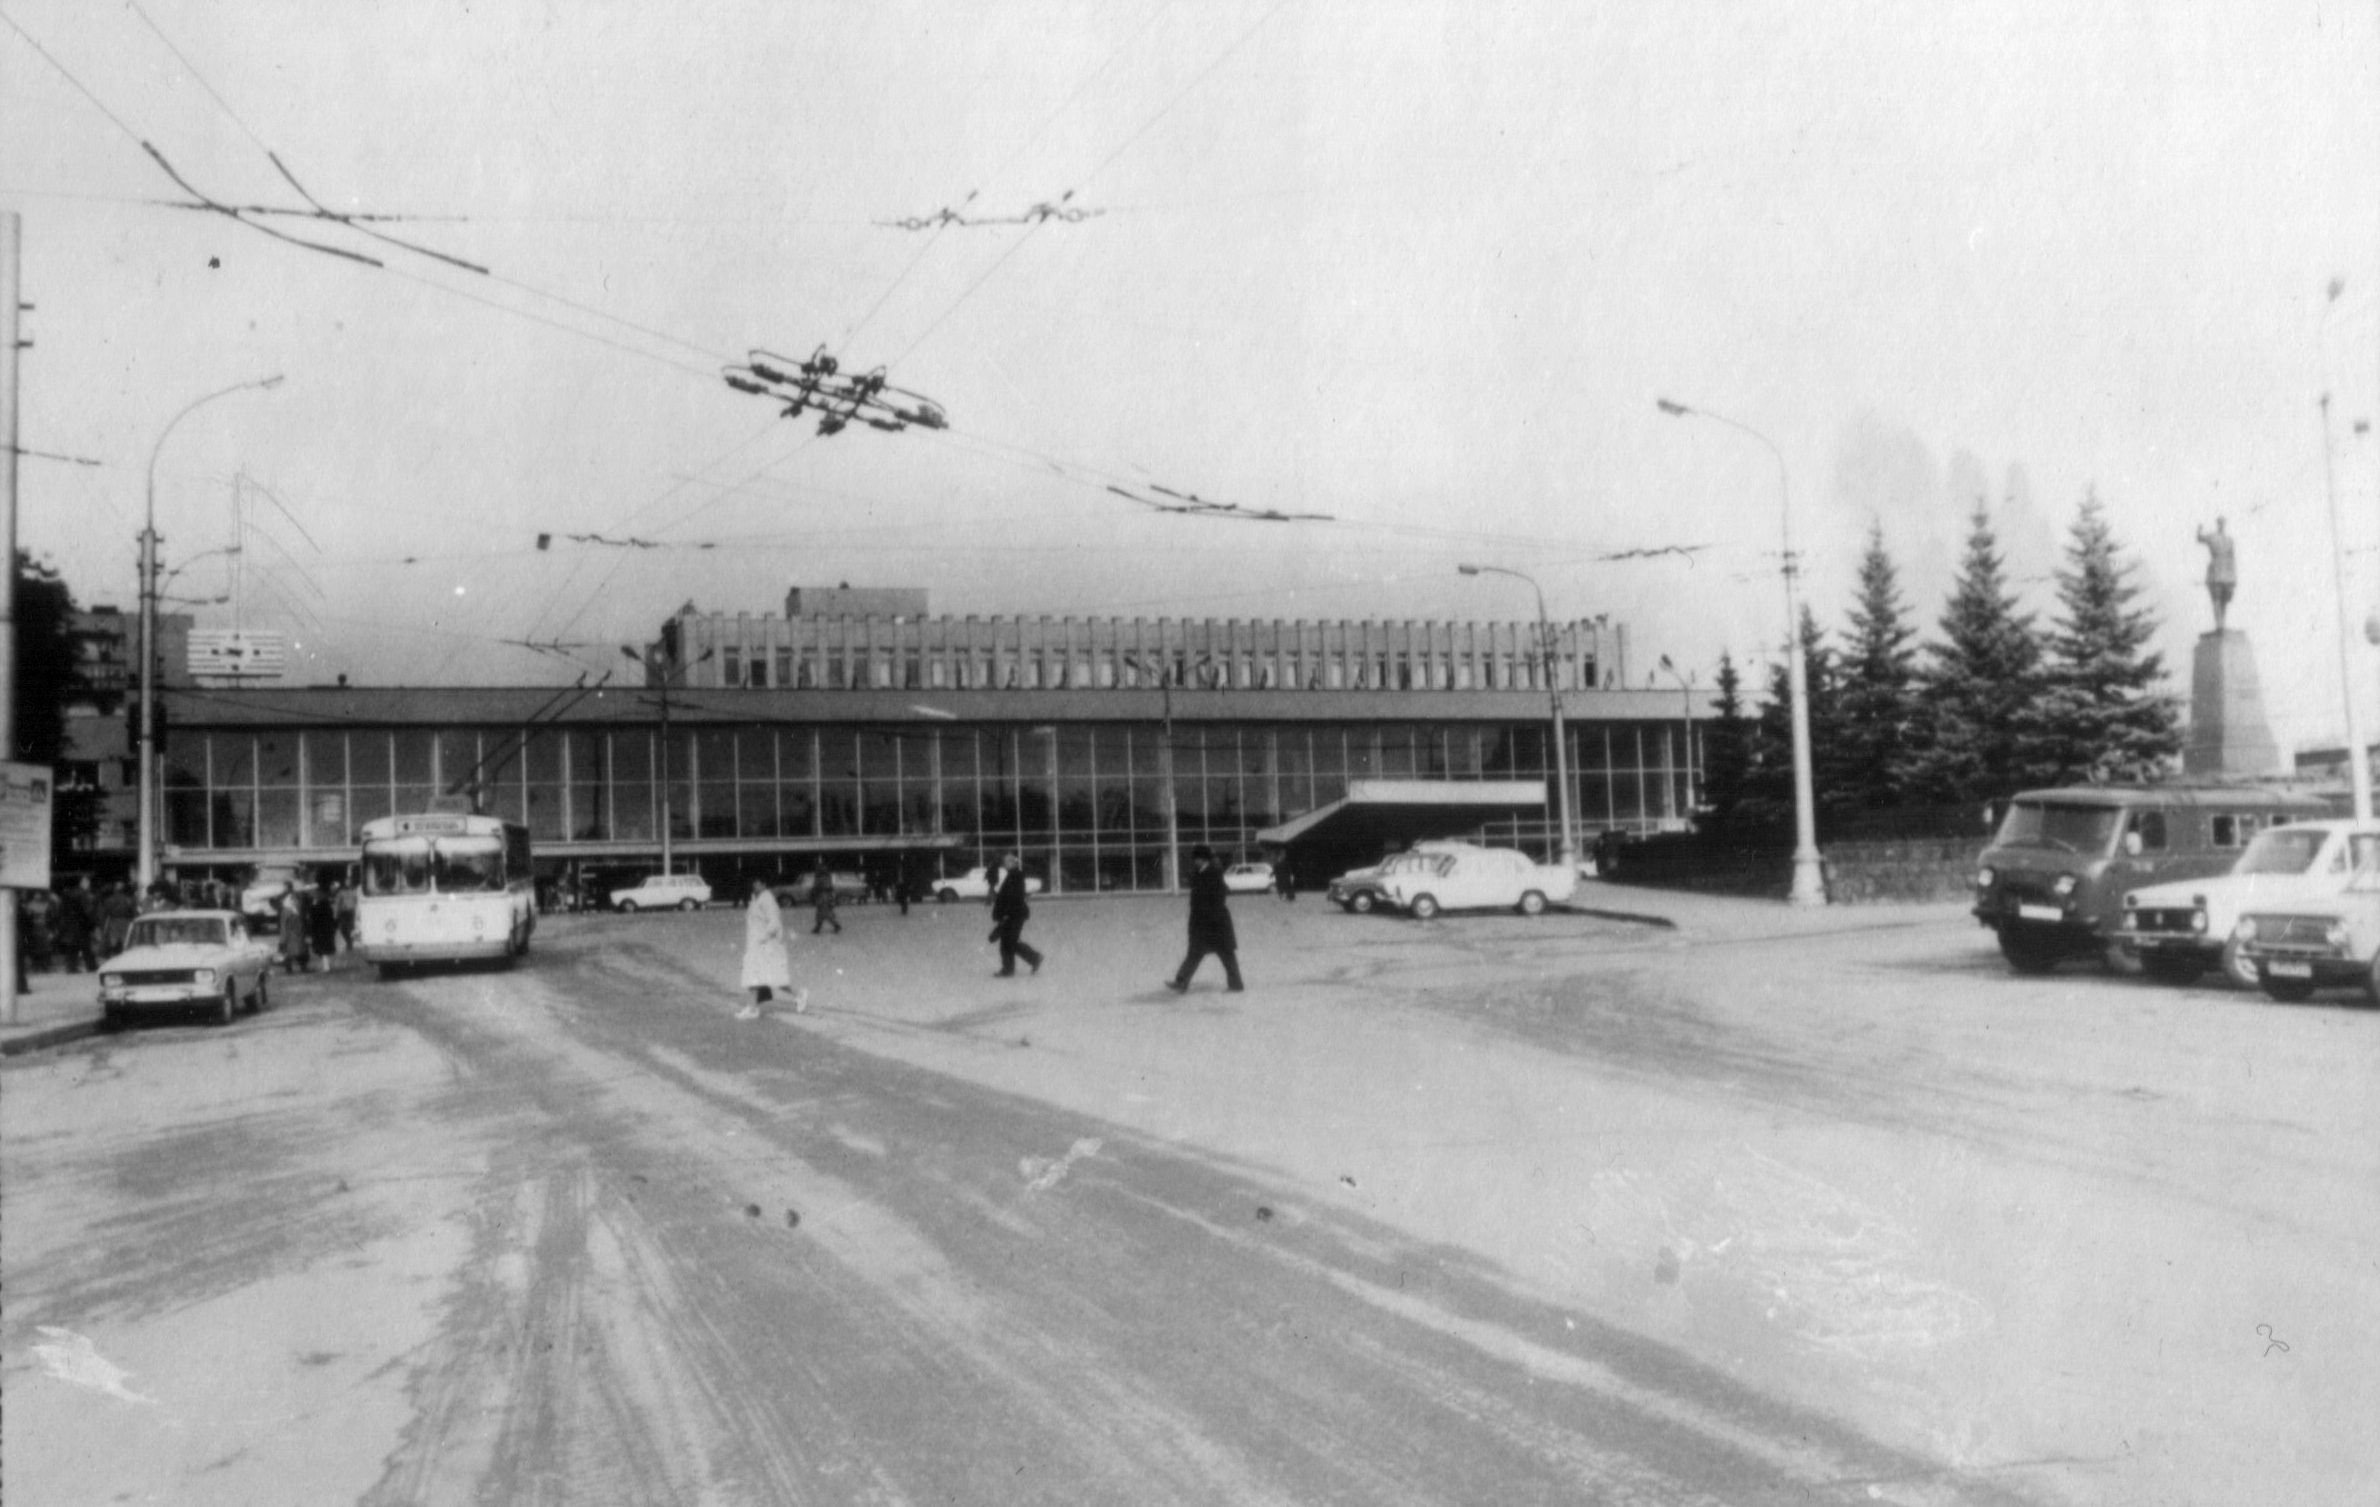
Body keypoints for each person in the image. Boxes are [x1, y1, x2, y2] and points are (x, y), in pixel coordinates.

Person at [1165, 844, 1243, 993]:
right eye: (1195, 859)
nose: (1196, 861)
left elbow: (1220, 895)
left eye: (1198, 858)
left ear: (1204, 859)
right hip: (1201, 921)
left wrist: (1213, 917)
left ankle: (1236, 984)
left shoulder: (1214, 872)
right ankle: (1181, 981)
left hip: (1216, 922)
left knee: (1226, 954)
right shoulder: (1199, 872)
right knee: (1195, 952)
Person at [738, 877, 804, 1018]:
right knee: (759, 977)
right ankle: (753, 1008)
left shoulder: (767, 899)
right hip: (756, 945)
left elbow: (774, 923)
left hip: (765, 945)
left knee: (764, 977)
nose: (754, 885)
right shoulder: (756, 899)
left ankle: (753, 1008)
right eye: (754, 882)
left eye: (758, 882)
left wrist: (762, 939)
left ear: (764, 884)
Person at [988, 852, 1042, 977]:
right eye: (1005, 861)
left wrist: (1006, 914)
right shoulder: (1013, 875)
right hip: (1015, 913)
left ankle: (1008, 970)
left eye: (1007, 861)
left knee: (1007, 942)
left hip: (1014, 914)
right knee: (1010, 941)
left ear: (1013, 862)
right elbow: (1008, 896)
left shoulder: (1015, 876)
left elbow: (1015, 897)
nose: (1004, 863)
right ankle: (1034, 958)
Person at [310, 880, 344, 970]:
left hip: (320, 930)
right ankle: (326, 966)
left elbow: (314, 916)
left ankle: (326, 967)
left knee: (323, 949)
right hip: (326, 929)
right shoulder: (326, 904)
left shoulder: (319, 905)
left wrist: (313, 907)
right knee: (324, 949)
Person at [279, 887, 312, 975]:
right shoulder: (285, 911)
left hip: (298, 935)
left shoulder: (296, 909)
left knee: (301, 952)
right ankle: (289, 968)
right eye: (292, 899)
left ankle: (303, 967)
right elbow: (283, 925)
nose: (295, 901)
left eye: (295, 899)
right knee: (290, 953)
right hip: (290, 936)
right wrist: (283, 938)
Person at [810, 863, 843, 934]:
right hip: (825, 896)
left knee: (824, 912)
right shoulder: (827, 876)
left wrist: (814, 892)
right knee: (821, 912)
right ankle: (818, 927)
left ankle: (836, 925)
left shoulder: (821, 877)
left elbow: (817, 887)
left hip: (823, 896)